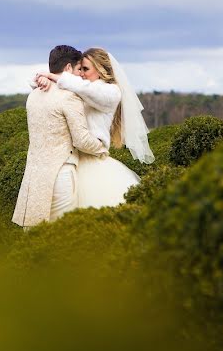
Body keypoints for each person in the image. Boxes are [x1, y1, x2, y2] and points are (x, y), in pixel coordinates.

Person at [33, 48, 154, 208]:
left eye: (86, 69)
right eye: (80, 68)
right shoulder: (79, 89)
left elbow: (87, 89)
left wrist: (57, 78)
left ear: (101, 70)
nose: (81, 73)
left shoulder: (111, 92)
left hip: (93, 159)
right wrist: (45, 79)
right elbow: (42, 88)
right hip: (73, 159)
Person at [12, 45, 108, 228]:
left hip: (34, 177)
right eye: (78, 69)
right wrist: (102, 148)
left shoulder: (33, 96)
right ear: (67, 69)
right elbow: (81, 140)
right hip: (61, 175)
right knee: (62, 234)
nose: (80, 75)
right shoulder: (69, 97)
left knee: (36, 234)